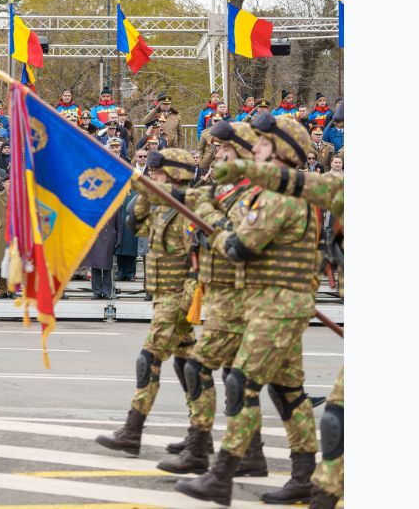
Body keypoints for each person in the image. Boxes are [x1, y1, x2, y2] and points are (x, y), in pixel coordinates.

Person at [176, 114, 321, 506]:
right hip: (274, 302)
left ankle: (221, 475)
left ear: (280, 151)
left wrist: (209, 219)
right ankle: (305, 475)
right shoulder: (270, 193)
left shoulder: (278, 197)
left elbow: (239, 247)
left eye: (262, 143)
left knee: (242, 383)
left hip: (278, 305)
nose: (254, 147)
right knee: (288, 391)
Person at [156, 121, 269, 477]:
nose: (218, 154)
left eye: (225, 149)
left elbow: (235, 236)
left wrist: (203, 211)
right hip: (219, 289)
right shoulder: (227, 187)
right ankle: (249, 452)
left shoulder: (251, 190)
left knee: (201, 367)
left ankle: (201, 446)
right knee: (235, 375)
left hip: (237, 292)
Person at [95, 148, 197, 456]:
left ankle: (133, 429)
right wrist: (145, 198)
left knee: (148, 359)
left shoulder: (192, 205)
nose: (155, 178)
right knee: (188, 363)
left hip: (179, 295)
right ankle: (200, 434)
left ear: (176, 175)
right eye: (153, 174)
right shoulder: (159, 204)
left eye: (160, 173)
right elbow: (133, 223)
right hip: (163, 294)